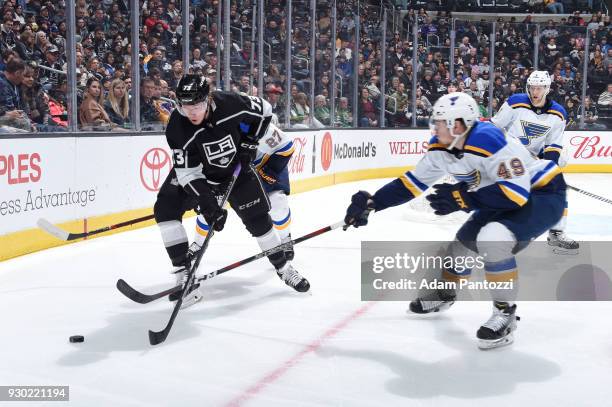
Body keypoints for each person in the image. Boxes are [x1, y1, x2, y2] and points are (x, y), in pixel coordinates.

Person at [344, 93, 567, 349]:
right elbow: (411, 184)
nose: (435, 127)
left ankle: (505, 313)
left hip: (543, 194)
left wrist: (463, 199)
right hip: (502, 195)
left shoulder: (489, 139)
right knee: (462, 246)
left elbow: (516, 194)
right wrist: (374, 203)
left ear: (459, 125)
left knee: (492, 240)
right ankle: (445, 294)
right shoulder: (441, 148)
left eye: (440, 122)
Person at [155, 75, 310, 308]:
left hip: (237, 171)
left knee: (259, 221)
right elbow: (187, 172)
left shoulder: (230, 103)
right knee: (165, 208)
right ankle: (184, 276)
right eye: (185, 107)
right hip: (201, 174)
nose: (192, 113)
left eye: (196, 106)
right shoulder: (177, 126)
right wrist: (207, 202)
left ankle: (284, 268)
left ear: (208, 99)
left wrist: (250, 140)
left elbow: (265, 110)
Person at [491, 71, 578, 252]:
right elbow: (495, 127)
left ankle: (556, 233)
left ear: (547, 89)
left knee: (557, 183)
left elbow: (553, 146)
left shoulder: (558, 114)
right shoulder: (515, 102)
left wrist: (549, 171)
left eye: (539, 88)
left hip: (534, 157)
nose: (535, 91)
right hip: (508, 155)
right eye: (532, 87)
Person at [193, 119, 297, 261]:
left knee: (277, 202)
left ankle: (285, 239)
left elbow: (286, 147)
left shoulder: (259, 127)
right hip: (229, 171)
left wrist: (269, 171)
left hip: (262, 167)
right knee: (210, 206)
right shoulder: (214, 126)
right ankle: (198, 244)